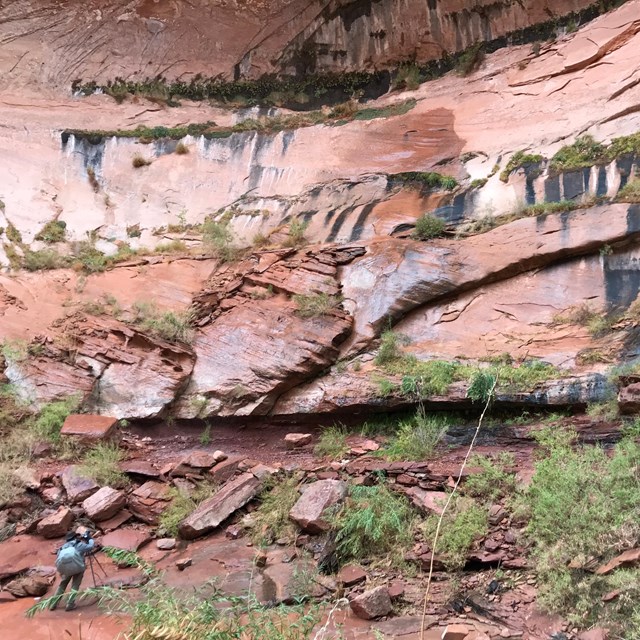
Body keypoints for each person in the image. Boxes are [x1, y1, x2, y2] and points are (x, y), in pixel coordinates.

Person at [51, 529, 95, 611]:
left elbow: (58, 557)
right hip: (78, 568)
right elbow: (90, 547)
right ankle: (70, 604)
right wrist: (89, 539)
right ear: (75, 537)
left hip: (66, 569)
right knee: (75, 585)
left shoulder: (63, 547)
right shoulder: (79, 545)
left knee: (62, 585)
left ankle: (53, 604)